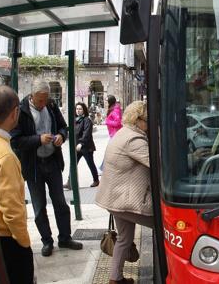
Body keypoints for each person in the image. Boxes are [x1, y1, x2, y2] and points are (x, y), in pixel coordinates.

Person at [11, 80, 82, 257]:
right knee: (39, 206)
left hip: (52, 161)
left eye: (45, 99)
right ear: (32, 96)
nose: (43, 104)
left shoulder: (51, 105)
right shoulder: (22, 111)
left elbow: (63, 127)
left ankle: (65, 237)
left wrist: (61, 136)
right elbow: (16, 141)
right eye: (40, 100)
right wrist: (38, 139)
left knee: (60, 202)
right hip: (33, 166)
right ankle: (47, 241)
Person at [95, 101, 153, 284]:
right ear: (138, 120)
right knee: (163, 226)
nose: (149, 123)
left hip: (115, 199)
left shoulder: (123, 133)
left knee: (124, 239)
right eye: (147, 120)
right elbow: (157, 164)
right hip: (124, 202)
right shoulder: (133, 139)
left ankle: (115, 279)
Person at [0, 86, 33, 283]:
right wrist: (24, 242)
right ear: (15, 113)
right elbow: (12, 210)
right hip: (8, 241)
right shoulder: (6, 156)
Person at [64, 102, 100, 189]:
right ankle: (70, 182)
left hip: (86, 147)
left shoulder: (87, 120)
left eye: (80, 109)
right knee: (73, 164)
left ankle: (96, 180)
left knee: (90, 163)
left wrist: (81, 143)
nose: (78, 111)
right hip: (77, 146)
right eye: (77, 109)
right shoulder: (75, 120)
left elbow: (86, 134)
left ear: (84, 110)